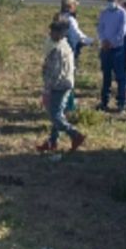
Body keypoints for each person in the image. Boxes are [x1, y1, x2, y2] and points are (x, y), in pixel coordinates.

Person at [37, 18, 86, 152]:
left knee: (56, 116)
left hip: (59, 85)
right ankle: (52, 141)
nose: (51, 34)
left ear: (61, 33)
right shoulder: (64, 44)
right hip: (65, 82)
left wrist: (47, 90)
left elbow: (55, 73)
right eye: (51, 31)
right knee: (57, 113)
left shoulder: (57, 49)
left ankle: (75, 135)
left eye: (54, 31)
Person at [96, 0, 126, 112]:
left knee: (120, 77)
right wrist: (103, 40)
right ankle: (104, 101)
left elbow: (122, 31)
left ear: (118, 0)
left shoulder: (123, 14)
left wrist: (112, 42)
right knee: (106, 76)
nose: (111, 2)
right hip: (105, 49)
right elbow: (100, 28)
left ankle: (121, 102)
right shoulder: (104, 13)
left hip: (118, 49)